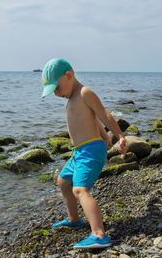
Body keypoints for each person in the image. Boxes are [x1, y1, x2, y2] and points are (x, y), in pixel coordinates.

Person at [41, 58, 129, 249]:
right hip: (78, 152)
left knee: (80, 190)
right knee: (63, 181)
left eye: (56, 88)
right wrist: (104, 135)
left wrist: (119, 136)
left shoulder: (84, 93)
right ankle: (74, 219)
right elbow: (93, 119)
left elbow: (103, 114)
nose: (56, 94)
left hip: (90, 150)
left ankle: (99, 234)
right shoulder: (72, 98)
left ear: (69, 76)